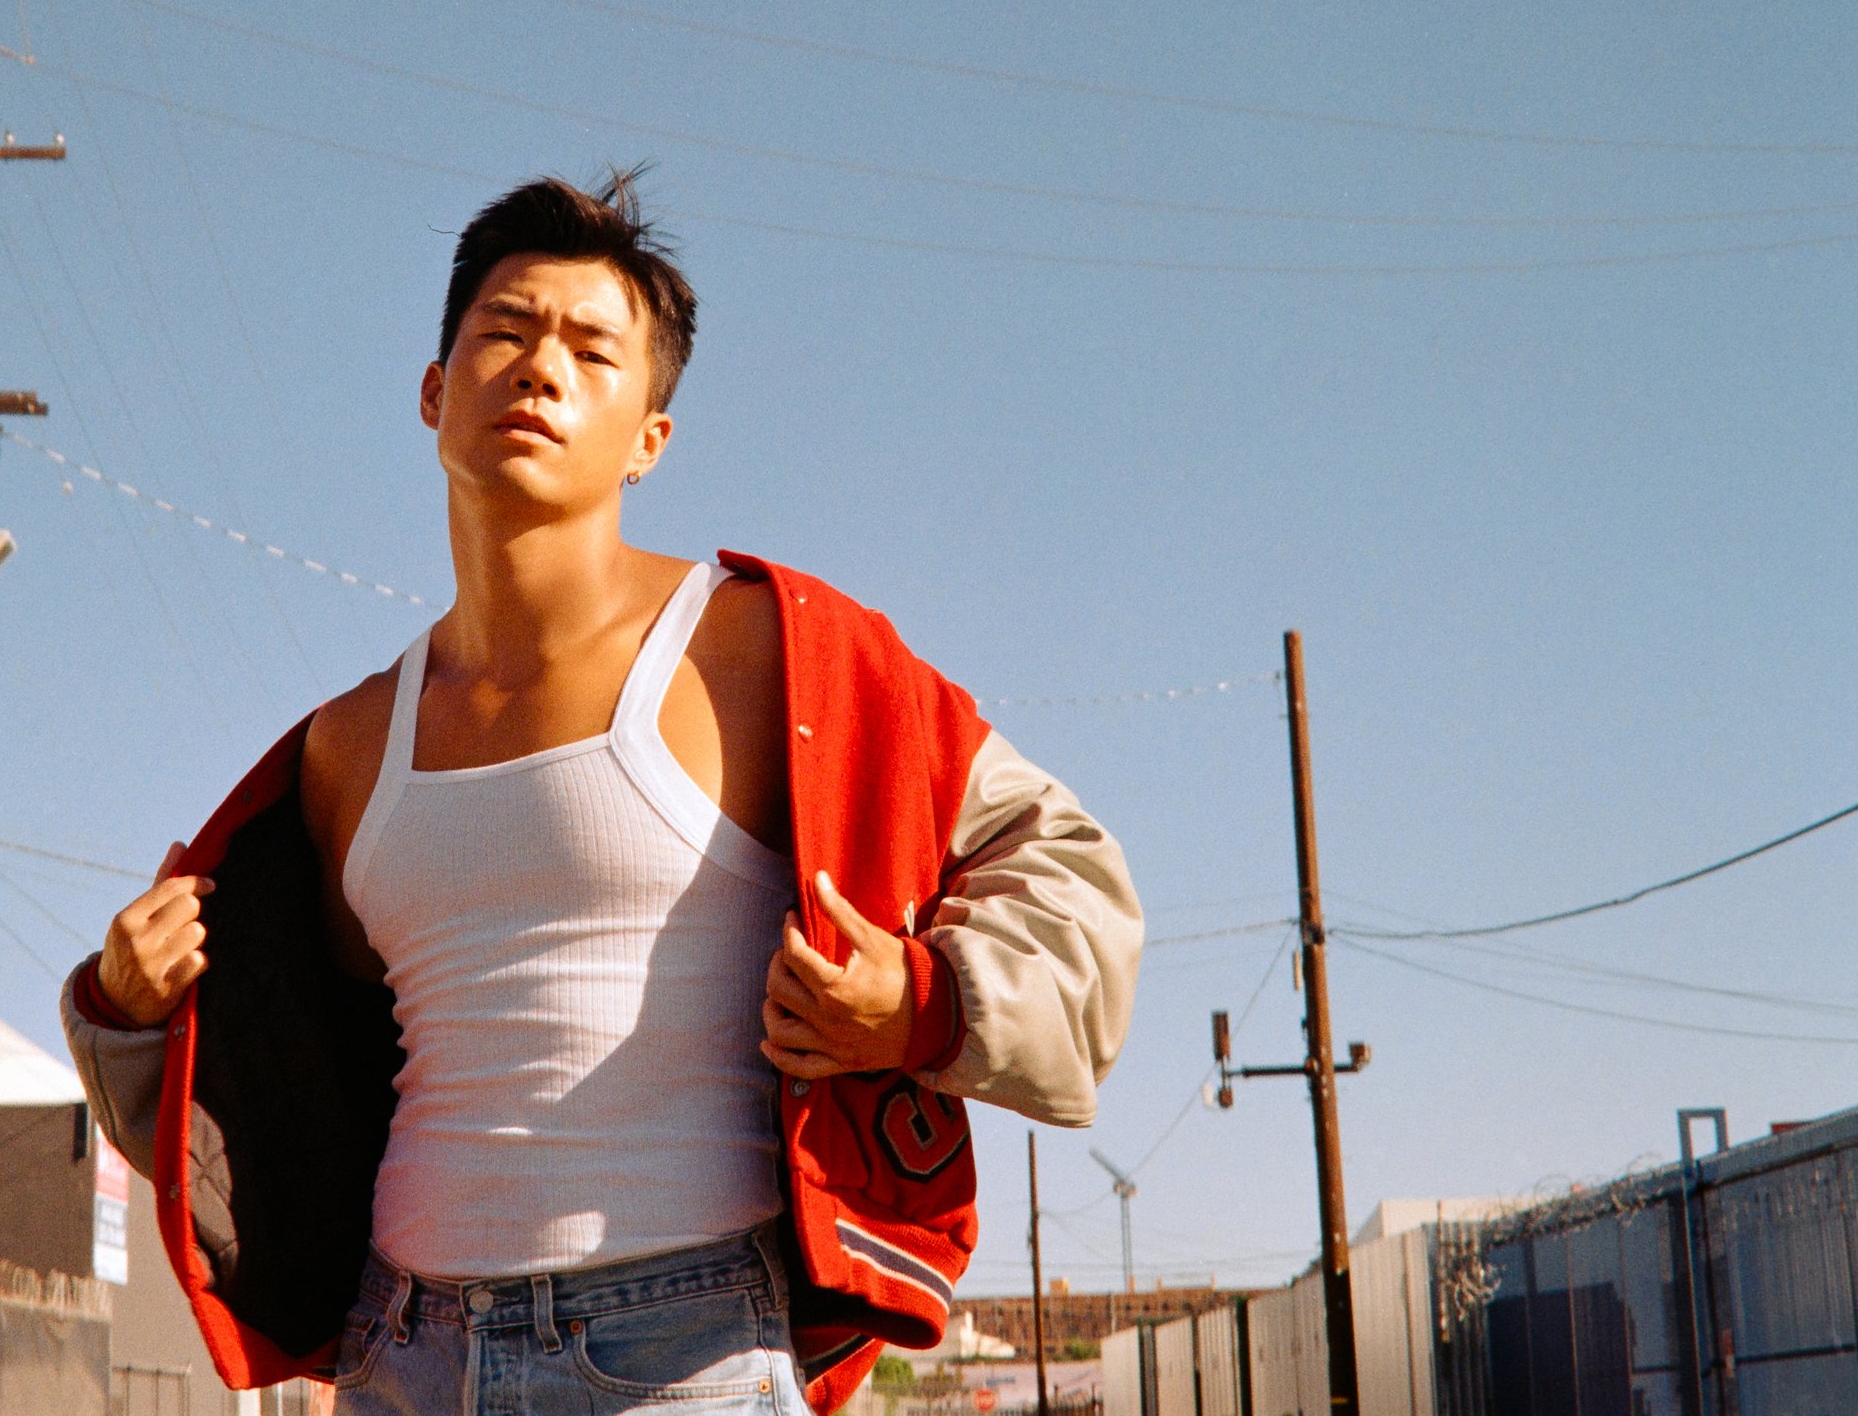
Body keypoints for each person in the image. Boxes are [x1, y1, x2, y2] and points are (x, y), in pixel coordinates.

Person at [63, 170, 1142, 1416]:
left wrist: (921, 1004)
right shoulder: (346, 745)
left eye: (590, 347)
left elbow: (1066, 861)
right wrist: (127, 1013)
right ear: (432, 391)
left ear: (649, 436)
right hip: (397, 1353)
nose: (539, 368)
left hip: (685, 1350)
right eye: (504, 333)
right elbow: (275, 1094)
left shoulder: (766, 652)